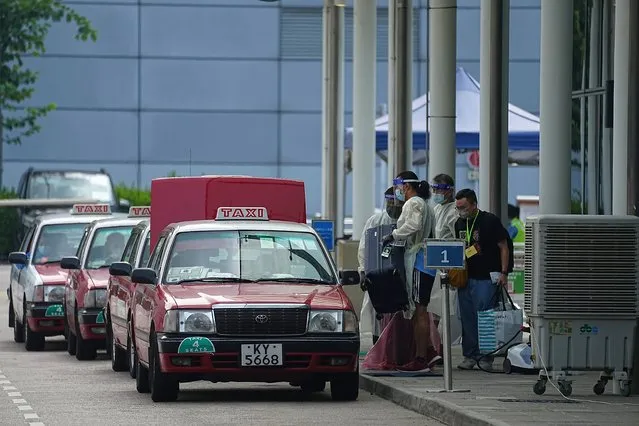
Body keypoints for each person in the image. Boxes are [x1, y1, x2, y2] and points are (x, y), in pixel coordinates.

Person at [383, 171, 441, 371]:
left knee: (420, 311)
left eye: (398, 187)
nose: (397, 192)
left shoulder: (413, 203)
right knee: (419, 310)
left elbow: (414, 225)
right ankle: (429, 351)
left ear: (405, 187)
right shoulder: (427, 205)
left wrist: (394, 235)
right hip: (425, 261)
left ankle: (420, 359)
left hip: (418, 261)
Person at [454, 189, 511, 371]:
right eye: (458, 208)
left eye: (463, 207)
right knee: (468, 318)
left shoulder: (489, 221)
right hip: (466, 278)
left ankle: (486, 358)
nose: (460, 211)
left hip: (487, 278)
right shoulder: (459, 224)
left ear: (473, 204)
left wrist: (504, 272)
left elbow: (504, 246)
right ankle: (470, 355)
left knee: (486, 318)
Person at [357, 186, 404, 345]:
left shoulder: (406, 221)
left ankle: (399, 348)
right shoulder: (375, 221)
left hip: (401, 276)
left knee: (402, 313)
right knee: (377, 312)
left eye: (395, 202)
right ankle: (379, 347)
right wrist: (363, 272)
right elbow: (363, 249)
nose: (392, 205)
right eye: (389, 201)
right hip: (377, 274)